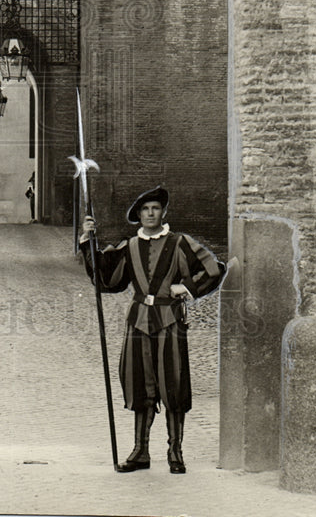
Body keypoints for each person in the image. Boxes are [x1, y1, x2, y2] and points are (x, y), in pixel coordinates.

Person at [80, 186, 225, 474]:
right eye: (145, 209)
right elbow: (107, 279)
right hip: (137, 323)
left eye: (155, 208)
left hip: (170, 321)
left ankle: (175, 452)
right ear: (139, 215)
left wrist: (186, 287)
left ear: (163, 212)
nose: (150, 213)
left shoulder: (180, 243)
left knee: (173, 384)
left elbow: (214, 268)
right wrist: (88, 240)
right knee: (138, 384)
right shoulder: (129, 246)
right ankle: (140, 451)